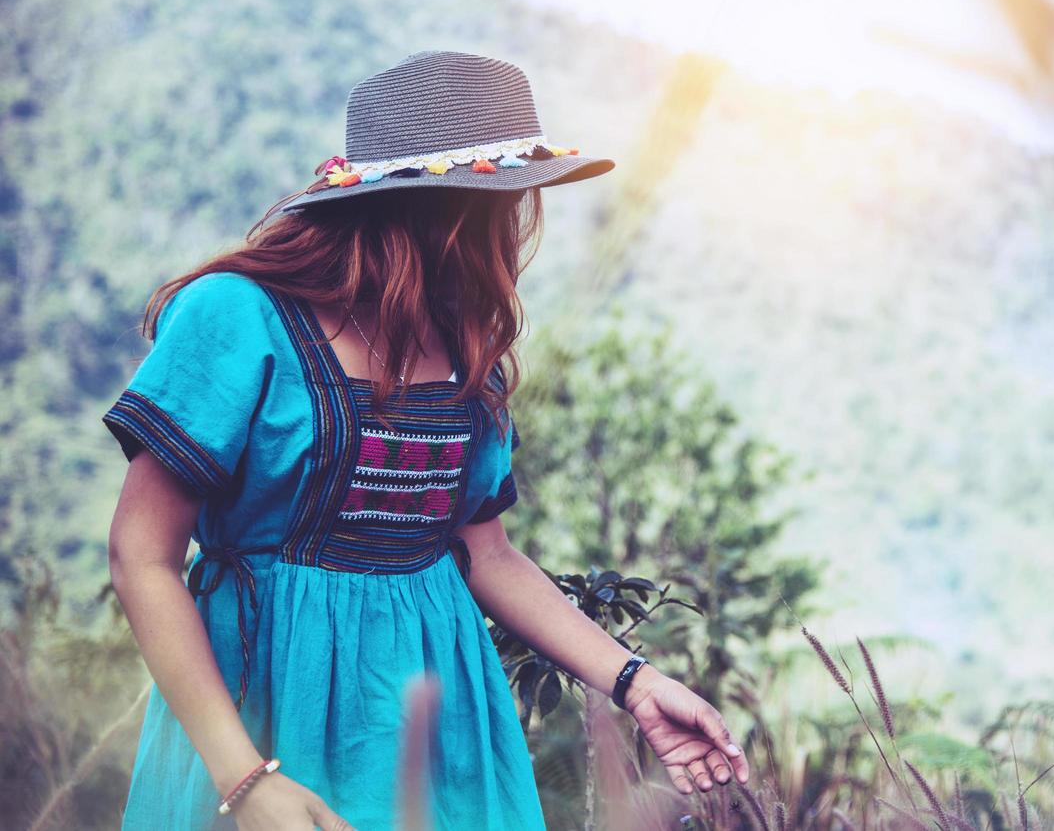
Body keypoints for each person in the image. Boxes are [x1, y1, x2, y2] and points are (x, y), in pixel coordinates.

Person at [102, 51, 750, 830]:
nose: (510, 229)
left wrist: (635, 682)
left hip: (438, 714)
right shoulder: (237, 316)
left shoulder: (458, 342)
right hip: (267, 702)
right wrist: (245, 779)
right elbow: (141, 557)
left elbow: (484, 552)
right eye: (494, 203)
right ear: (426, 209)